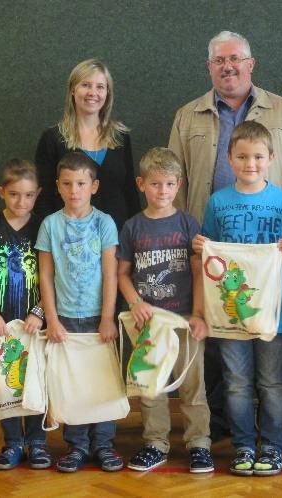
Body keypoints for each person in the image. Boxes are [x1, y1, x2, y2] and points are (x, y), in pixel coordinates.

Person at [168, 29, 282, 442]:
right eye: (219, 60)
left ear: (251, 64)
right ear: (209, 67)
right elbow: (174, 182)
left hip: (270, 256)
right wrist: (184, 244)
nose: (228, 66)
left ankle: (270, 433)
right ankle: (226, 429)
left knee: (267, 360)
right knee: (220, 343)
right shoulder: (187, 115)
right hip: (209, 247)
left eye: (236, 59)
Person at [192, 122, 282, 476]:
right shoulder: (218, 202)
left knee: (272, 382)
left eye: (258, 157)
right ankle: (243, 444)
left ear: (271, 158)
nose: (250, 163)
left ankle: (271, 446)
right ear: (229, 158)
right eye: (242, 156)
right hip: (230, 314)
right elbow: (208, 251)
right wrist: (200, 247)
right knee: (237, 382)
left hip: (275, 312)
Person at [116, 147, 213, 473]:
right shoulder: (132, 227)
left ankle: (199, 444)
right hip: (149, 323)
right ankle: (155, 443)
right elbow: (122, 273)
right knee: (150, 387)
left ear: (179, 184)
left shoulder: (188, 223)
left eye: (169, 184)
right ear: (141, 184)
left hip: (185, 319)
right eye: (156, 184)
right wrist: (135, 301)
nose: (163, 191)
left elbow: (199, 271)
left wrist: (199, 315)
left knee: (192, 387)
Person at [35, 152, 123, 473]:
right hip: (65, 319)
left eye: (81, 184)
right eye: (68, 184)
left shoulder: (105, 223)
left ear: (94, 186)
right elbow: (45, 275)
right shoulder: (50, 225)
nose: (75, 191)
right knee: (72, 382)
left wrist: (107, 317)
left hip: (99, 317)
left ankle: (103, 443)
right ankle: (77, 445)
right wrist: (52, 318)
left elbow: (111, 272)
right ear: (57, 186)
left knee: (101, 382)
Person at [0, 159, 51, 470]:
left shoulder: (44, 226)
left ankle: (38, 442)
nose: (21, 201)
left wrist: (40, 312)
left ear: (38, 194)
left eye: (29, 195)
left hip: (34, 324)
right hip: (1, 326)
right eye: (14, 194)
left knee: (37, 381)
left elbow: (52, 276)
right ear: (1, 192)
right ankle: (13, 442)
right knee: (8, 384)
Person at [34, 58, 140, 231]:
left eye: (100, 87)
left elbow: (130, 194)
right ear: (73, 90)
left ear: (108, 93)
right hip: (68, 241)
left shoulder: (120, 137)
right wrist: (53, 237)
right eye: (85, 85)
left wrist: (134, 236)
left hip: (116, 240)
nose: (93, 92)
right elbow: (42, 198)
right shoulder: (53, 138)